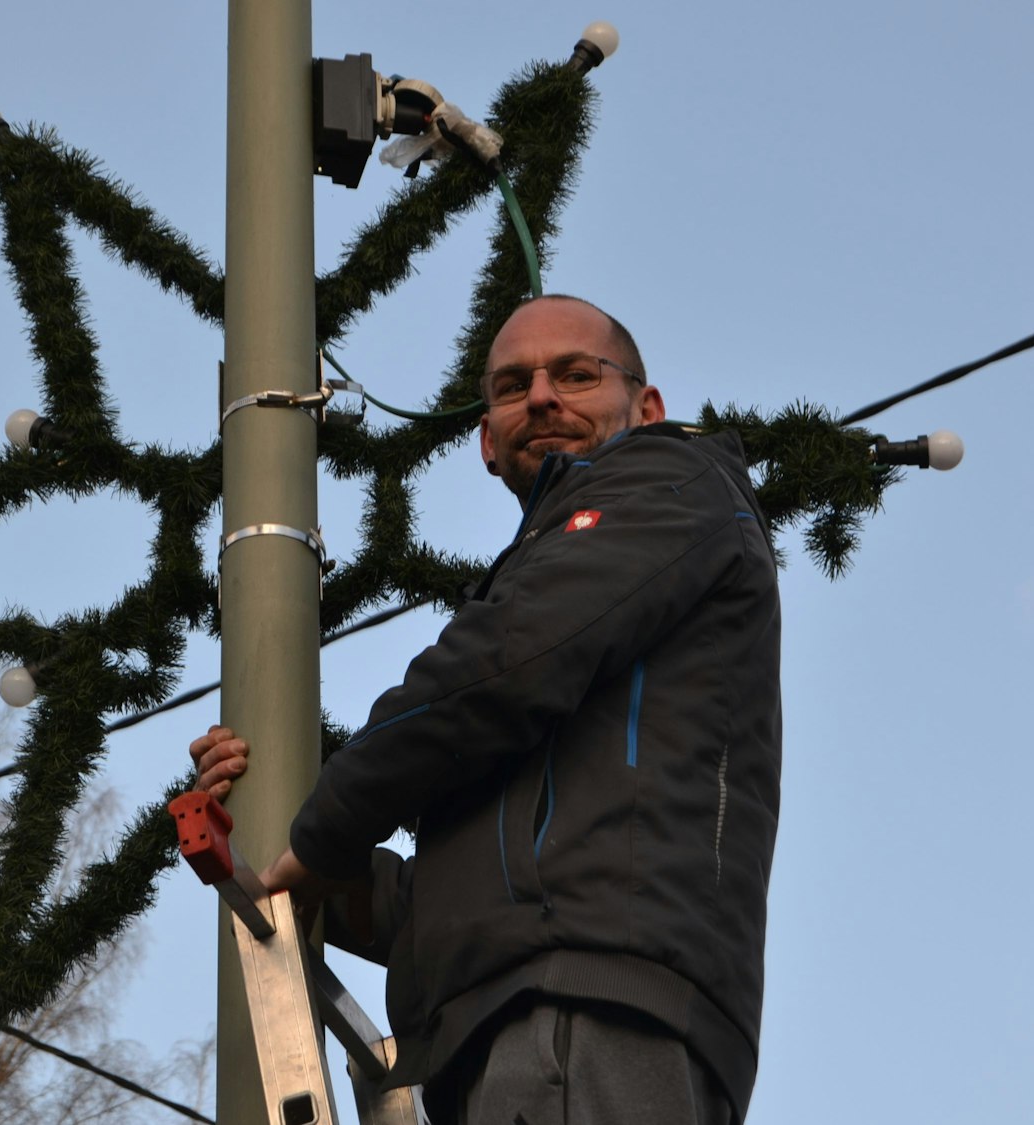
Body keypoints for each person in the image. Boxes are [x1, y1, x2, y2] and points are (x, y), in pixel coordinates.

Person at [190, 295, 782, 1124]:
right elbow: (452, 904)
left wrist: (323, 830)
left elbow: (507, 664)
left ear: (646, 407)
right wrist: (275, 838)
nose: (541, 396)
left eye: (576, 374)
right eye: (512, 385)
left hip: (582, 1006)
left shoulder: (670, 481)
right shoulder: (556, 584)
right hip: (515, 1025)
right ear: (485, 439)